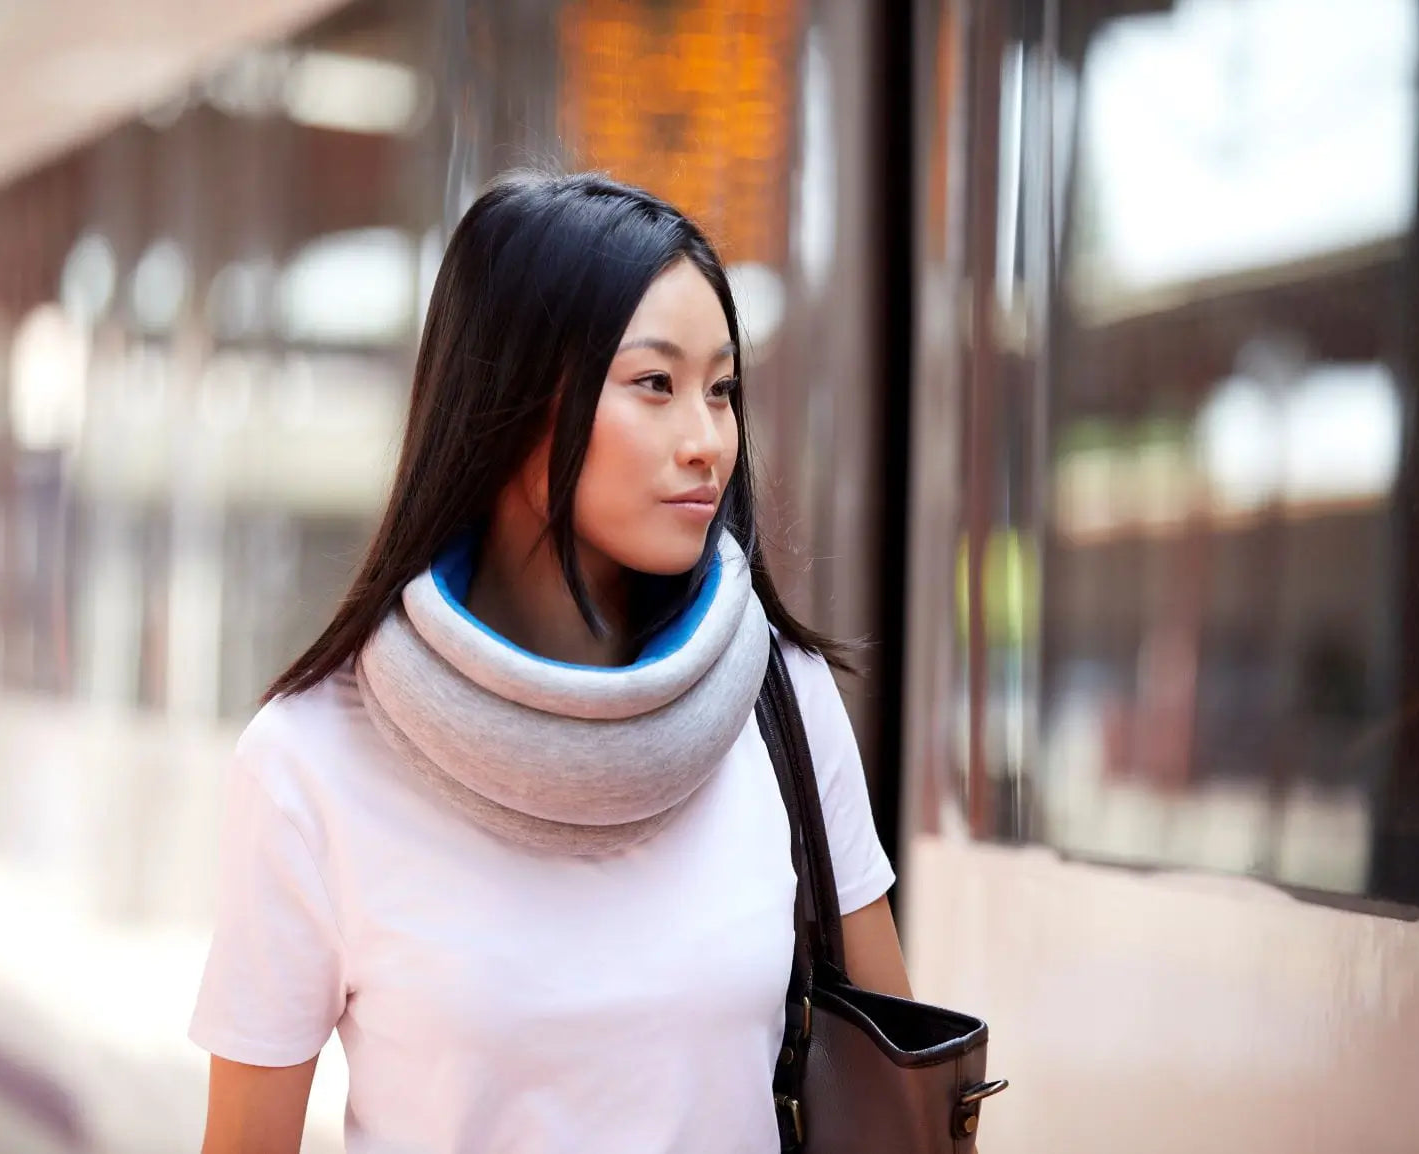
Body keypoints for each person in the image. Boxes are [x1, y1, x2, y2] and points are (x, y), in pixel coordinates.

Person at [191, 171, 912, 1154]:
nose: (707, 441)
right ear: (511, 400)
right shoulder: (311, 754)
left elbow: (898, 1095)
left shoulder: (779, 699)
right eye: (654, 383)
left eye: (722, 389)